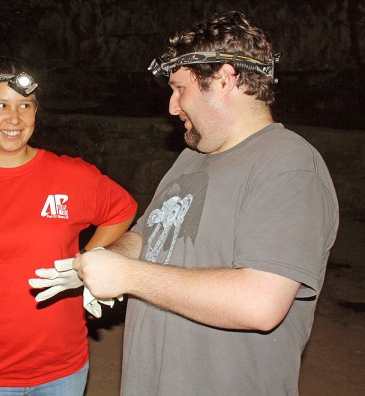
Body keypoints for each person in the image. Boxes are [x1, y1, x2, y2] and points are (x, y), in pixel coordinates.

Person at [71, 11, 339, 395]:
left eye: (181, 89)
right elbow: (147, 234)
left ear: (225, 79)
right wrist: (97, 262)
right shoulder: (192, 157)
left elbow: (260, 304)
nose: (172, 106)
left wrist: (128, 276)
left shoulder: (290, 166)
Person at [0, 56, 137, 396]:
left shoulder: (71, 175)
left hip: (63, 367)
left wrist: (86, 261)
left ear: (36, 113)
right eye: (1, 105)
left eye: (25, 105)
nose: (14, 118)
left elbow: (122, 209)